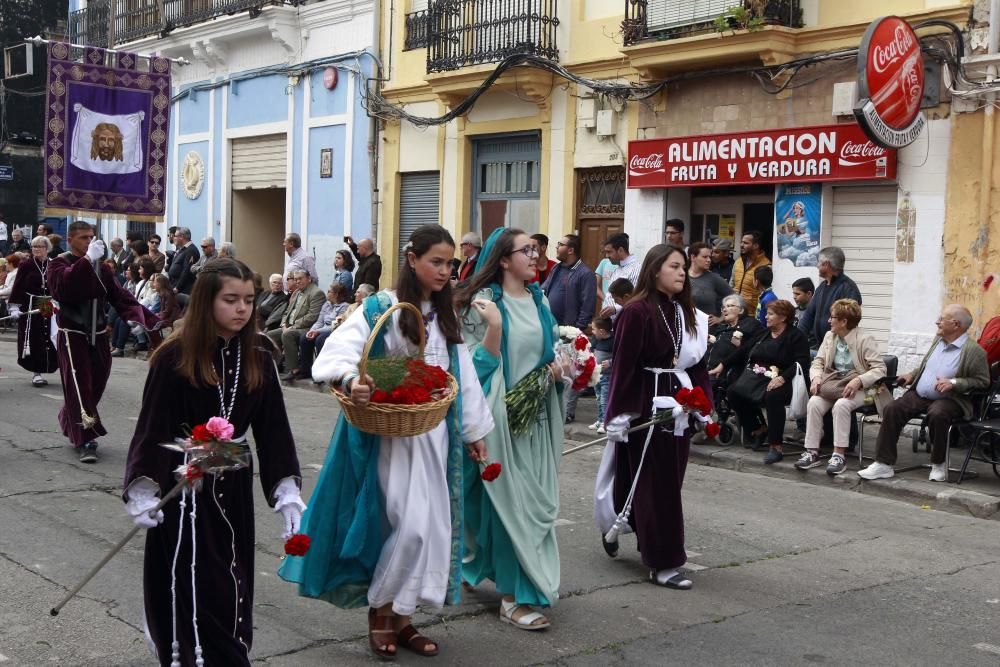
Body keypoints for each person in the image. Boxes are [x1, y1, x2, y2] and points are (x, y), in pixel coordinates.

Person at [281, 225, 492, 659]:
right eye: (436, 261)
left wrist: (474, 434)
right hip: (389, 437)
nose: (445, 270)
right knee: (405, 526)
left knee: (431, 527)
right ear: (411, 258)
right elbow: (336, 354)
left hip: (434, 436)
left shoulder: (445, 312)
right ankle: (379, 613)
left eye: (450, 263)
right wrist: (354, 379)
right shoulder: (382, 306)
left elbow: (462, 373)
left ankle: (404, 617)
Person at [123, 258, 304, 667]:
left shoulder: (259, 352)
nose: (241, 309)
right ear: (207, 302)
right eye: (230, 300)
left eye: (249, 300)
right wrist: (142, 486)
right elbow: (152, 426)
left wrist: (286, 491)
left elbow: (274, 429)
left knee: (231, 577)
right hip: (185, 490)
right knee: (194, 581)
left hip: (234, 486)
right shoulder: (175, 355)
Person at [454, 227, 563, 630]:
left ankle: (471, 567)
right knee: (507, 509)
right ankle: (513, 598)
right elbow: (466, 371)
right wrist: (495, 330)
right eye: (526, 251)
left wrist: (559, 369)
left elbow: (545, 353)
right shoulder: (479, 306)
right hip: (495, 420)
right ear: (503, 259)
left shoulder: (539, 299)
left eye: (536, 250)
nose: (535, 256)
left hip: (532, 420)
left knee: (529, 506)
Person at [596, 243, 711, 590]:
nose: (681, 272)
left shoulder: (687, 313)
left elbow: (699, 364)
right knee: (653, 484)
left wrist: (703, 405)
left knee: (666, 482)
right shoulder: (637, 312)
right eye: (674, 266)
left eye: (682, 267)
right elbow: (624, 367)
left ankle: (622, 524)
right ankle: (663, 561)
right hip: (646, 402)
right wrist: (618, 414)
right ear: (655, 269)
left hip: (679, 403)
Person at [48, 222, 159, 462]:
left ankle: (70, 416)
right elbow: (65, 288)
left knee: (98, 381)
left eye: (91, 237)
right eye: (83, 238)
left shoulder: (102, 268)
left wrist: (141, 318)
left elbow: (119, 296)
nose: (90, 241)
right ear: (70, 240)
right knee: (81, 386)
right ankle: (86, 438)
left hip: (98, 334)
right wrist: (87, 261)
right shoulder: (59, 264)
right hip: (73, 335)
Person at [858, 305, 990, 482]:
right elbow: (925, 366)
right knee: (893, 409)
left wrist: (954, 383)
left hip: (952, 399)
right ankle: (883, 464)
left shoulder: (974, 351)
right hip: (921, 395)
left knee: (938, 413)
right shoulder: (938, 341)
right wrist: (911, 375)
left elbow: (983, 382)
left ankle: (939, 463)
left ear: (956, 324)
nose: (937, 322)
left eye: (942, 319)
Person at [795, 299, 888, 476]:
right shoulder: (830, 337)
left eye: (832, 317)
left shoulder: (864, 339)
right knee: (814, 402)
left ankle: (839, 456)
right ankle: (812, 452)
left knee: (842, 405)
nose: (829, 321)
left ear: (844, 321)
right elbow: (818, 362)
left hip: (871, 391)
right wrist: (815, 378)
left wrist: (858, 380)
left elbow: (880, 369)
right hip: (835, 385)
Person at [727, 299, 809, 464]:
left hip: (787, 379)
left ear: (783, 317)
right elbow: (744, 350)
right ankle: (759, 429)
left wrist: (782, 378)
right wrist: (722, 365)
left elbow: (801, 362)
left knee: (773, 397)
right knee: (733, 392)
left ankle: (776, 445)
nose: (766, 317)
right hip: (759, 376)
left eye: (770, 314)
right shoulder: (763, 334)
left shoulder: (796, 336)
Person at [6, 236, 58, 386]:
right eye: (34, 246)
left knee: (48, 334)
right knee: (34, 337)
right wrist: (14, 306)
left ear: (47, 248)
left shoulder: (53, 264)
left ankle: (51, 365)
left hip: (47, 303)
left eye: (40, 246)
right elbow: (18, 286)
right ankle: (37, 372)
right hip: (31, 303)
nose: (36, 249)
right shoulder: (26, 265)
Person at [797, 246, 862, 349]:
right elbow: (807, 318)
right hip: (819, 347)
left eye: (819, 262)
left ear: (826, 264)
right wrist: (796, 340)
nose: (817, 266)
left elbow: (850, 322)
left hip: (839, 350)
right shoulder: (821, 287)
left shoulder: (848, 288)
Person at [269, 270, 324, 381]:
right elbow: (287, 312)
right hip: (289, 326)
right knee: (269, 335)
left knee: (287, 335)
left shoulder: (316, 293)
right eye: (295, 279)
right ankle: (272, 366)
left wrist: (293, 326)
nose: (297, 281)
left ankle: (294, 369)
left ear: (309, 279)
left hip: (306, 328)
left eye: (300, 278)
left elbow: (312, 316)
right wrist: (284, 324)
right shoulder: (297, 292)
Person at [294, 282, 351, 382]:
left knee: (320, 340)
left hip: (335, 331)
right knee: (304, 338)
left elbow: (336, 325)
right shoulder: (326, 304)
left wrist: (317, 331)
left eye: (329, 291)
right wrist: (312, 330)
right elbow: (319, 321)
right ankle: (306, 371)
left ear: (336, 294)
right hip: (322, 329)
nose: (327, 293)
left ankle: (323, 372)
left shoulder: (345, 307)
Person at [541, 234, 596, 329]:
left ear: (570, 250)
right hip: (550, 325)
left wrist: (577, 329)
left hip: (568, 331)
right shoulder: (556, 268)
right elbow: (543, 290)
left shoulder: (585, 274)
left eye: (560, 244)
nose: (556, 247)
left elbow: (588, 305)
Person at [706, 294, 764, 381]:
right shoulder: (722, 327)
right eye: (723, 307)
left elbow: (751, 350)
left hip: (727, 374)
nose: (724, 309)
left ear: (741, 310)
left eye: (729, 306)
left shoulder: (751, 324)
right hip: (708, 370)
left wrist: (740, 344)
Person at [687, 241, 732, 327]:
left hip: (708, 330)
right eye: (705, 257)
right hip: (686, 327)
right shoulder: (682, 276)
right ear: (693, 257)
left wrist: (721, 318)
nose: (709, 260)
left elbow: (734, 298)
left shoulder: (714, 278)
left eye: (709, 257)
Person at [599, 233, 641, 319]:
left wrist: (615, 309)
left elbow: (637, 298)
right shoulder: (617, 269)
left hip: (626, 321)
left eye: (609, 252)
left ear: (620, 250)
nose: (606, 256)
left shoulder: (637, 269)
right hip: (610, 325)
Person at [730, 231, 770, 316]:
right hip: (735, 312)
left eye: (745, 243)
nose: (741, 245)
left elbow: (766, 292)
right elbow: (731, 284)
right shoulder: (738, 261)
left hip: (752, 315)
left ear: (756, 246)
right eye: (741, 242)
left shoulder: (766, 265)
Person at [588, 316, 614, 433]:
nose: (592, 331)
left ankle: (605, 422)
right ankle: (600, 419)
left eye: (593, 329)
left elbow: (619, 356)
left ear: (602, 331)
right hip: (596, 375)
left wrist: (609, 362)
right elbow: (591, 351)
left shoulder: (613, 341)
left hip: (607, 376)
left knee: (604, 399)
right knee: (598, 398)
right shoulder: (596, 339)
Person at [167, 227, 199, 294]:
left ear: (181, 236)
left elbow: (186, 270)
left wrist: (178, 287)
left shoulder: (191, 250)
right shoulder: (182, 249)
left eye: (175, 236)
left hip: (183, 290)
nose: (174, 238)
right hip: (174, 285)